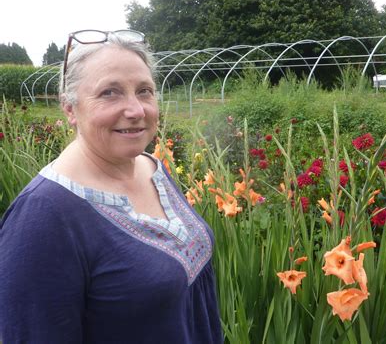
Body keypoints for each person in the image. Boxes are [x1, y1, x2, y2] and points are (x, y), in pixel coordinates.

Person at [0, 29, 223, 343]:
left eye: (144, 91)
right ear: (69, 108)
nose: (135, 110)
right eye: (110, 92)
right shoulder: (43, 218)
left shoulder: (152, 168)